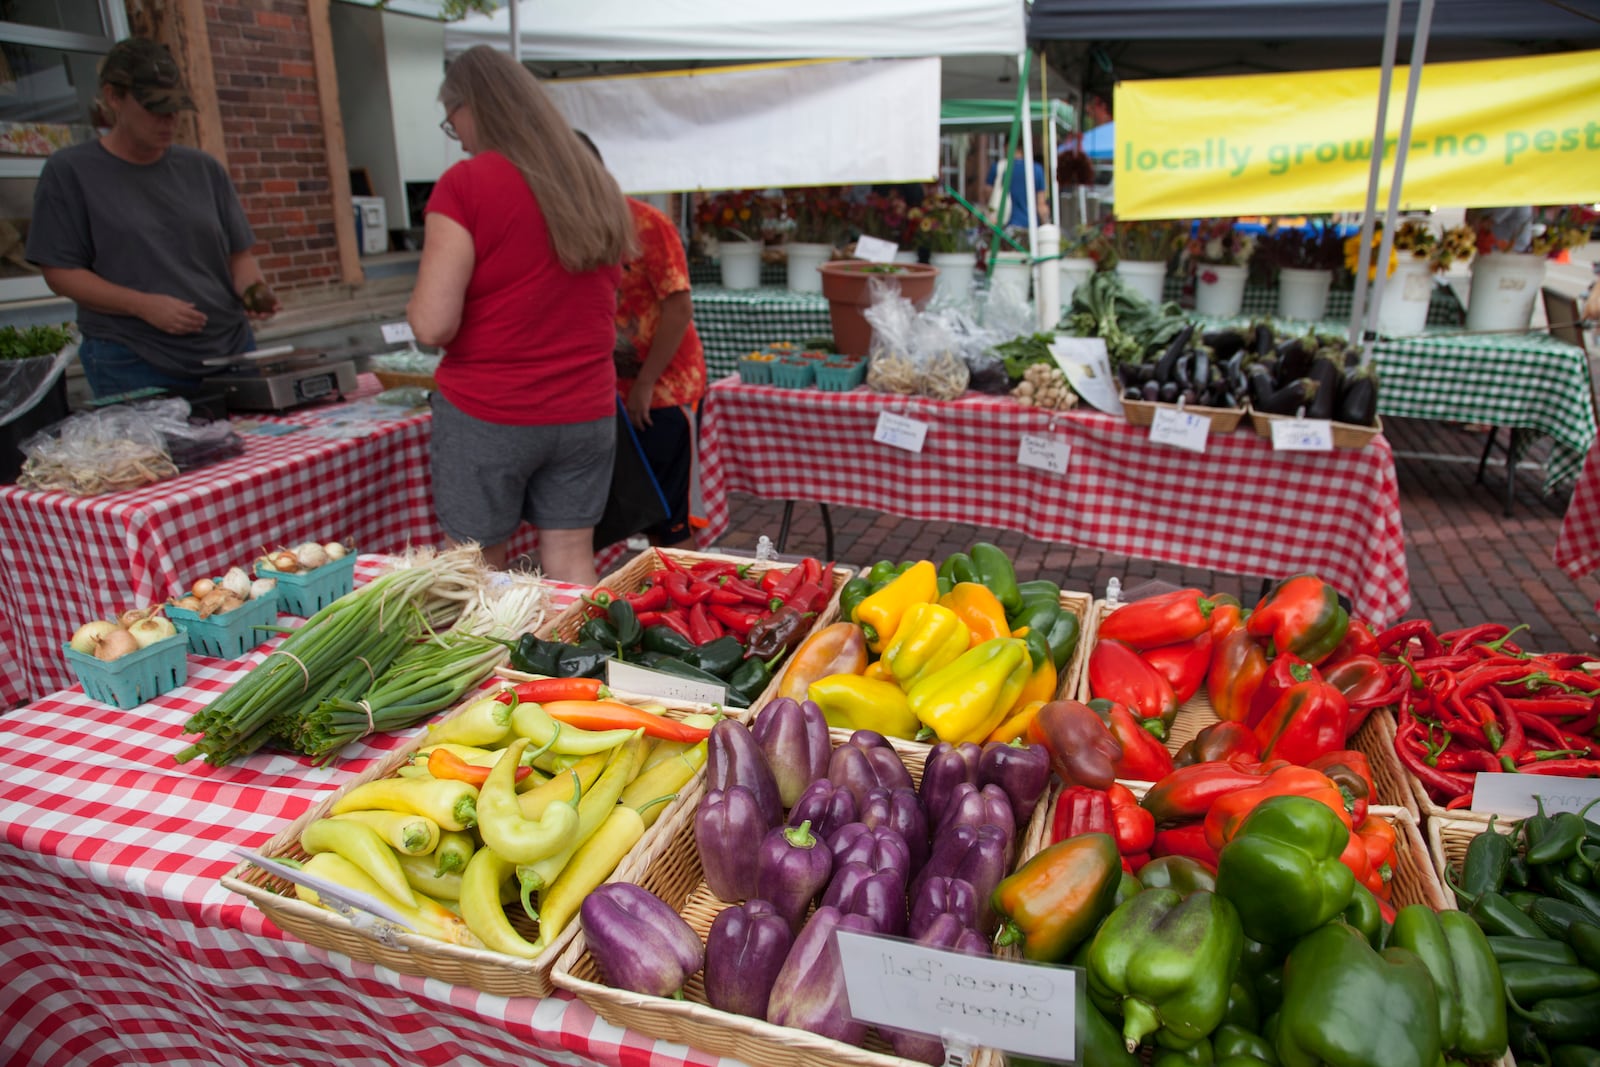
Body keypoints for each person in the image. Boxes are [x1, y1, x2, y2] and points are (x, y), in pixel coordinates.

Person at [407, 46, 634, 584]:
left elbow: (432, 324)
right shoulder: (592, 184)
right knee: (573, 559)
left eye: (452, 116)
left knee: (478, 569)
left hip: (491, 408)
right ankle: (580, 666)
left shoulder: (466, 184)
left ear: (475, 106)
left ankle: (496, 669)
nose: (454, 131)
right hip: (585, 408)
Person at [26, 37, 280, 398]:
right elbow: (60, 272)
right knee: (152, 458)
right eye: (154, 108)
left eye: (175, 108)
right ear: (113, 97)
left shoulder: (204, 169)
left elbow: (239, 257)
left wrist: (254, 291)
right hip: (132, 359)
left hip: (229, 351)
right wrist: (142, 305)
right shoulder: (70, 172)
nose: (169, 120)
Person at [576, 133, 706, 546]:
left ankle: (683, 603)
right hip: (605, 393)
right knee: (622, 513)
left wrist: (646, 384)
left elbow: (679, 308)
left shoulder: (647, 223)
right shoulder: (570, 230)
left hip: (662, 392)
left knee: (669, 523)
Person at [982, 143, 1049, 231]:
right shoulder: (1036, 169)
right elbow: (1041, 205)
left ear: (1006, 147)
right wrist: (1046, 225)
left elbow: (987, 194)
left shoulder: (999, 168)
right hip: (1031, 226)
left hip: (1004, 226)